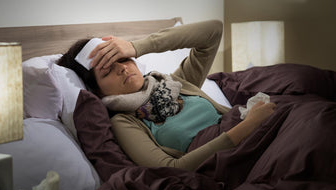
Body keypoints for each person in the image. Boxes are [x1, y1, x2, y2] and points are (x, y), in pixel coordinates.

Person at [58, 20, 276, 171]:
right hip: (239, 154)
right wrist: (247, 127)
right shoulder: (125, 122)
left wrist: (136, 46)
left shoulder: (174, 82)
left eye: (123, 59)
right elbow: (172, 169)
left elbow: (213, 31)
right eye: (107, 71)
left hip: (259, 130)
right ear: (97, 90)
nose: (122, 69)